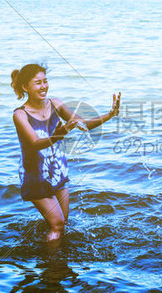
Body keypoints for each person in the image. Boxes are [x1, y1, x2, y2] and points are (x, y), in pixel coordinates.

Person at [12, 64, 120, 241]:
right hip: (35, 175)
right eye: (38, 83)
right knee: (57, 225)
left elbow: (83, 124)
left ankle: (50, 253)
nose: (44, 86)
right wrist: (58, 135)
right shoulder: (20, 115)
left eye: (45, 81)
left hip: (58, 170)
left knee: (63, 222)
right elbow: (35, 143)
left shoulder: (56, 104)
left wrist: (110, 115)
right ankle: (53, 266)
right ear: (25, 87)